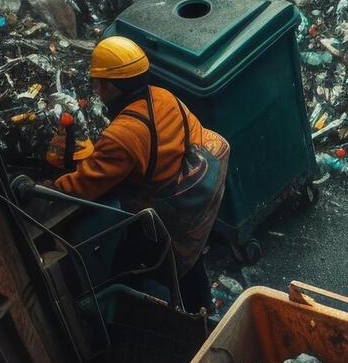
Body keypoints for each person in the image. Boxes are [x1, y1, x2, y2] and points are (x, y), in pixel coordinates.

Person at [52, 36, 230, 315]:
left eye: (100, 82)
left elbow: (83, 187)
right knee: (186, 260)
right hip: (191, 205)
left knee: (127, 267)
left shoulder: (123, 136)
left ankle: (133, 320)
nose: (97, 89)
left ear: (113, 86)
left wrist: (49, 186)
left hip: (160, 216)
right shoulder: (163, 97)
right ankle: (203, 310)